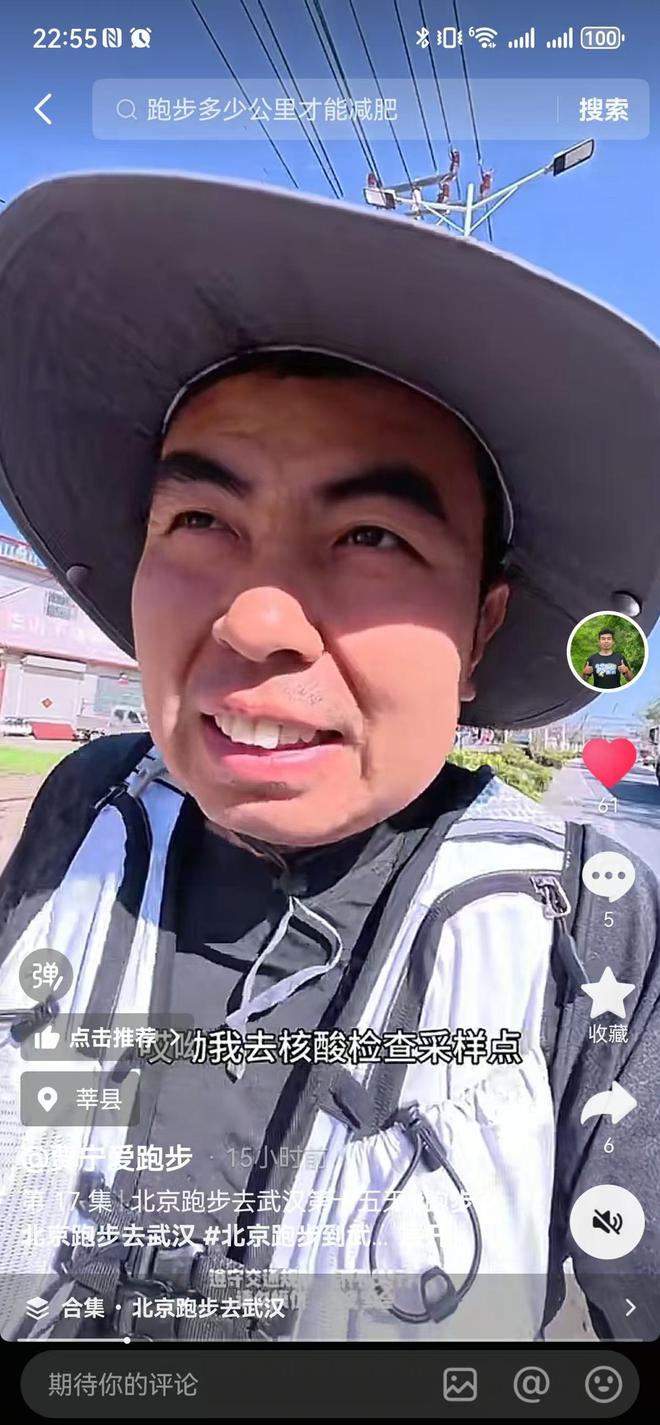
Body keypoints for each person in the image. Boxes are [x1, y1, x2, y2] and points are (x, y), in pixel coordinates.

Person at [1, 172, 660, 1346]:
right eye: (200, 521)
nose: (256, 622)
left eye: (372, 536)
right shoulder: (89, 812)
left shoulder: (590, 925)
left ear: (480, 631)